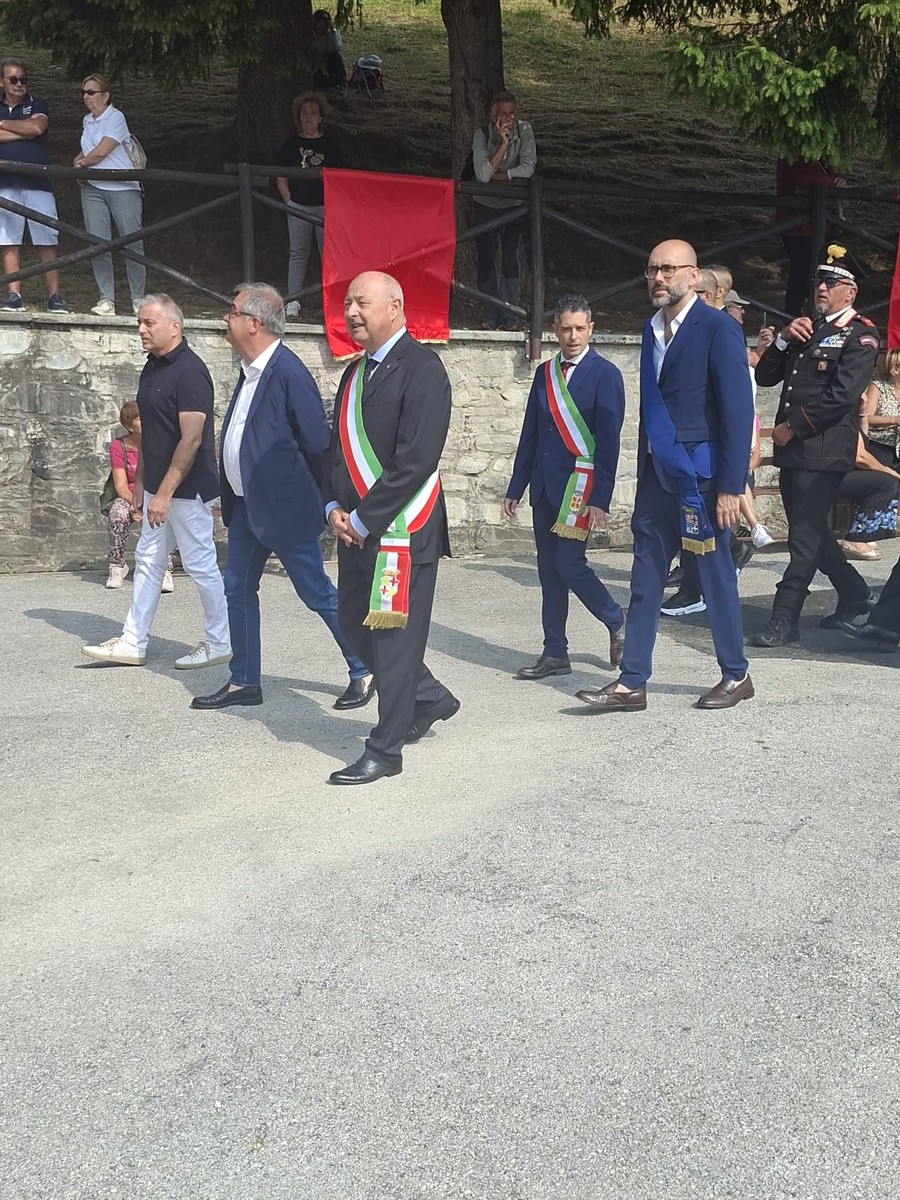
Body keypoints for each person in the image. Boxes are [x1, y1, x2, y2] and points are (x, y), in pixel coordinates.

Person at [575, 239, 755, 712]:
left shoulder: (718, 328)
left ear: (693, 276)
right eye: (652, 269)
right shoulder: (650, 327)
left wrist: (731, 486)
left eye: (669, 269)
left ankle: (736, 675)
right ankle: (631, 682)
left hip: (702, 480)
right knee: (645, 574)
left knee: (714, 575)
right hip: (658, 475)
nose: (658, 277)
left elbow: (738, 412)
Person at [191, 283, 372, 711]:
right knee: (237, 590)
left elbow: (318, 446)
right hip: (245, 506)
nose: (225, 318)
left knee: (316, 593)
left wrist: (326, 503)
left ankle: (365, 668)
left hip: (285, 510)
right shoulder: (250, 370)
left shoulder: (288, 373)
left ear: (254, 323)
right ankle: (244, 681)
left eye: (232, 311)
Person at [325, 271, 458, 784]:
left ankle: (386, 750)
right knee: (354, 624)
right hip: (355, 529)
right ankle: (428, 697)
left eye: (362, 302)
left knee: (395, 642)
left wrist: (363, 518)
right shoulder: (353, 374)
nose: (351, 312)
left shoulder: (423, 369)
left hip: (402, 531)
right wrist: (333, 506)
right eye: (347, 304)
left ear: (395, 307)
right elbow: (336, 451)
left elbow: (416, 459)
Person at [83, 294, 230, 668]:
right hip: (157, 489)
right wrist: (142, 484)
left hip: (188, 489)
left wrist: (163, 494)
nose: (141, 329)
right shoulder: (151, 367)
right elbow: (150, 433)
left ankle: (220, 642)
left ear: (174, 327)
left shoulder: (191, 372)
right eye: (139, 322)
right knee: (148, 561)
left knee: (199, 564)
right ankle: (133, 642)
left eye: (149, 323)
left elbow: (191, 440)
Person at [752, 248, 880, 647]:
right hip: (796, 452)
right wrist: (783, 340)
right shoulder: (810, 328)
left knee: (803, 539)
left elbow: (842, 396)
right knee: (811, 534)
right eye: (819, 281)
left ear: (850, 292)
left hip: (823, 450)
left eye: (831, 282)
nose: (821, 288)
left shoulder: (860, 335)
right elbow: (766, 376)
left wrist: (793, 426)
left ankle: (784, 617)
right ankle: (855, 593)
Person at [504, 294, 626, 678]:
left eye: (579, 329)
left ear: (591, 329)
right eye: (566, 329)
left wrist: (601, 498)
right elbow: (530, 434)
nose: (573, 336)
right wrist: (516, 486)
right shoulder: (545, 374)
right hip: (544, 487)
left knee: (569, 565)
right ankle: (555, 652)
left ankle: (616, 619)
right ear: (555, 330)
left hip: (580, 488)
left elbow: (609, 443)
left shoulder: (606, 375)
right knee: (548, 571)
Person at [75, 74, 145, 316]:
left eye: (91, 92)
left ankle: (138, 298)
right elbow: (88, 150)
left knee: (132, 243)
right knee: (98, 244)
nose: (86, 96)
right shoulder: (87, 120)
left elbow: (102, 151)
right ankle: (106, 299)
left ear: (105, 96)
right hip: (94, 188)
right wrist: (77, 162)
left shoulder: (116, 117)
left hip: (123, 187)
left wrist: (82, 164)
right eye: (83, 92)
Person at [0, 58, 66, 312]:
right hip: (6, 183)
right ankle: (14, 295)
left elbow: (37, 128)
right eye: (13, 79)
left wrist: (4, 124)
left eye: (23, 79)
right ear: (2, 82)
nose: (19, 84)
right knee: (8, 239)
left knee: (46, 238)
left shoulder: (37, 103)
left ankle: (55, 296)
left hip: (39, 183)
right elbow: (29, 130)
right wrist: (23, 130)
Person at [471, 92, 536, 330]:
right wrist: (503, 144)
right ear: (493, 116)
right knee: (486, 259)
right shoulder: (481, 134)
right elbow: (482, 175)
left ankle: (510, 315)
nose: (509, 119)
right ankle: (491, 314)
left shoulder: (525, 130)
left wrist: (499, 176)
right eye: (503, 114)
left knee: (509, 257)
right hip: (484, 204)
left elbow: (528, 168)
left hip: (513, 206)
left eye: (512, 113)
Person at [275, 92, 343, 320]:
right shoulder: (291, 145)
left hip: (326, 208)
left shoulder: (331, 145)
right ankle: (293, 300)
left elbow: (339, 178)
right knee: (297, 253)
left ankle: (330, 302)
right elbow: (281, 177)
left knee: (329, 256)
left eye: (313, 113)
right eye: (304, 113)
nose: (309, 117)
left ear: (321, 117)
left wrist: (334, 206)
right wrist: (289, 202)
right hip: (298, 206)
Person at [105, 399, 174, 593]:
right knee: (117, 514)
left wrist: (150, 504)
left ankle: (163, 568)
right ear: (129, 426)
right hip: (130, 497)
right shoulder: (119, 447)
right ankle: (117, 565)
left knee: (161, 514)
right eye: (141, 419)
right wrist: (136, 506)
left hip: (156, 495)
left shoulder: (160, 444)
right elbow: (120, 486)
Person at [775, 158, 846, 316]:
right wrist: (832, 183)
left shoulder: (822, 159)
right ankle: (792, 316)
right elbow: (804, 177)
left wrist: (835, 181)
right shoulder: (794, 156)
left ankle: (813, 315)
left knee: (813, 271)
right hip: (798, 228)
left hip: (815, 226)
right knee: (802, 272)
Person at [834, 431, 899, 560]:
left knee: (884, 479)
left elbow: (863, 440)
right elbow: (860, 457)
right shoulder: (842, 419)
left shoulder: (853, 421)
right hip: (824, 474)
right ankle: (857, 538)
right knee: (886, 483)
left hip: (833, 470)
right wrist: (890, 471)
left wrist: (863, 418)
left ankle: (865, 534)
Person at [861, 348, 900, 464]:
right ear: (895, 369)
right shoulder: (878, 387)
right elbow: (866, 417)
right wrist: (894, 420)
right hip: (880, 444)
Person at [312, 10, 347, 92]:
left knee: (336, 57)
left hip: (329, 61)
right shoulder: (312, 35)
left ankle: (341, 83)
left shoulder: (332, 34)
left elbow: (335, 48)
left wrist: (332, 32)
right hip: (317, 63)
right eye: (321, 22)